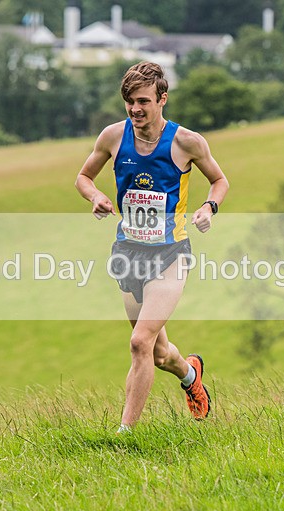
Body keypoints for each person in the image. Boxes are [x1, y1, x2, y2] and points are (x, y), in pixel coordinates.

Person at [75, 61, 230, 433]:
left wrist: (209, 207)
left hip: (170, 255)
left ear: (163, 99)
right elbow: (83, 177)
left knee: (139, 342)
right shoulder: (113, 136)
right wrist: (95, 196)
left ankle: (125, 432)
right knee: (158, 353)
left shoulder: (187, 142)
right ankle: (191, 374)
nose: (135, 109)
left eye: (143, 101)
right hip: (128, 255)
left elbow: (220, 180)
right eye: (129, 101)